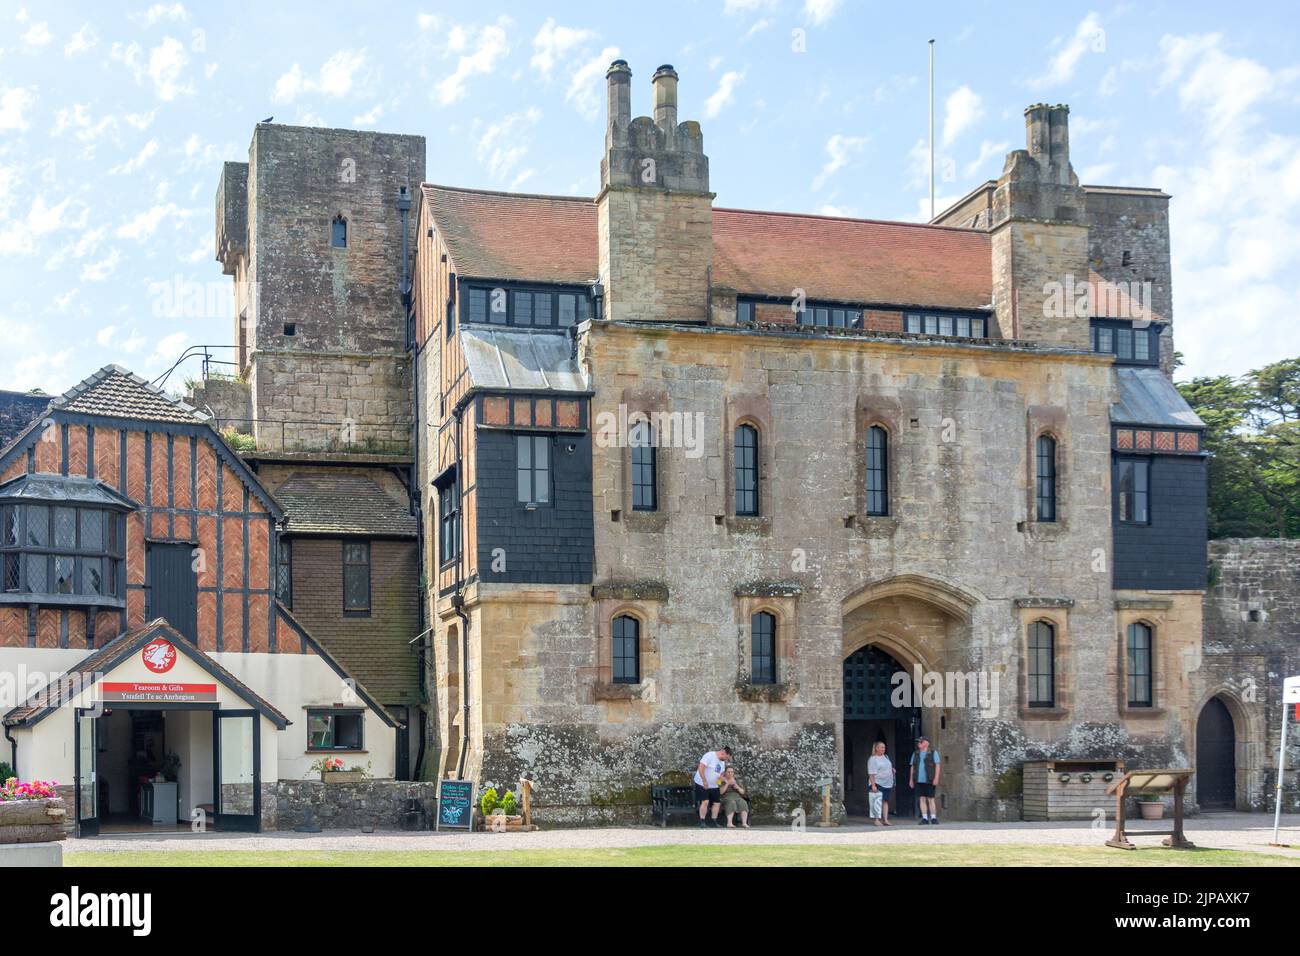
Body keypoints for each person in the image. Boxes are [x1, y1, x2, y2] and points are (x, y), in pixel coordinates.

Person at [693, 746, 731, 828]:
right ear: (723, 752)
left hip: (714, 785)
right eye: (726, 757)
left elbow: (720, 774)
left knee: (717, 803)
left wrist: (719, 782)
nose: (726, 760)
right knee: (705, 801)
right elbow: (701, 768)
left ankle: (714, 821)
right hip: (702, 783)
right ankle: (702, 821)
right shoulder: (709, 755)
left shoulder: (722, 762)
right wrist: (704, 781)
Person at [908, 736, 941, 824]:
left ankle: (933, 817)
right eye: (918, 742)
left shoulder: (933, 753)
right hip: (918, 779)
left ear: (926, 743)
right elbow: (912, 767)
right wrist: (911, 779)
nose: (919, 743)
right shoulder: (915, 753)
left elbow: (937, 766)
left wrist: (936, 778)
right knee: (922, 799)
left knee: (931, 799)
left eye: (921, 742)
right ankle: (925, 818)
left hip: (929, 779)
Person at [867, 741, 894, 826]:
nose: (883, 749)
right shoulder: (873, 759)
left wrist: (892, 770)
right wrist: (873, 785)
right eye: (881, 747)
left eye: (884, 747)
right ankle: (876, 819)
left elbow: (888, 766)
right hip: (877, 782)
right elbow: (871, 773)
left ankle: (885, 819)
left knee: (885, 801)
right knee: (876, 801)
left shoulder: (886, 757)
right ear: (876, 748)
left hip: (887, 783)